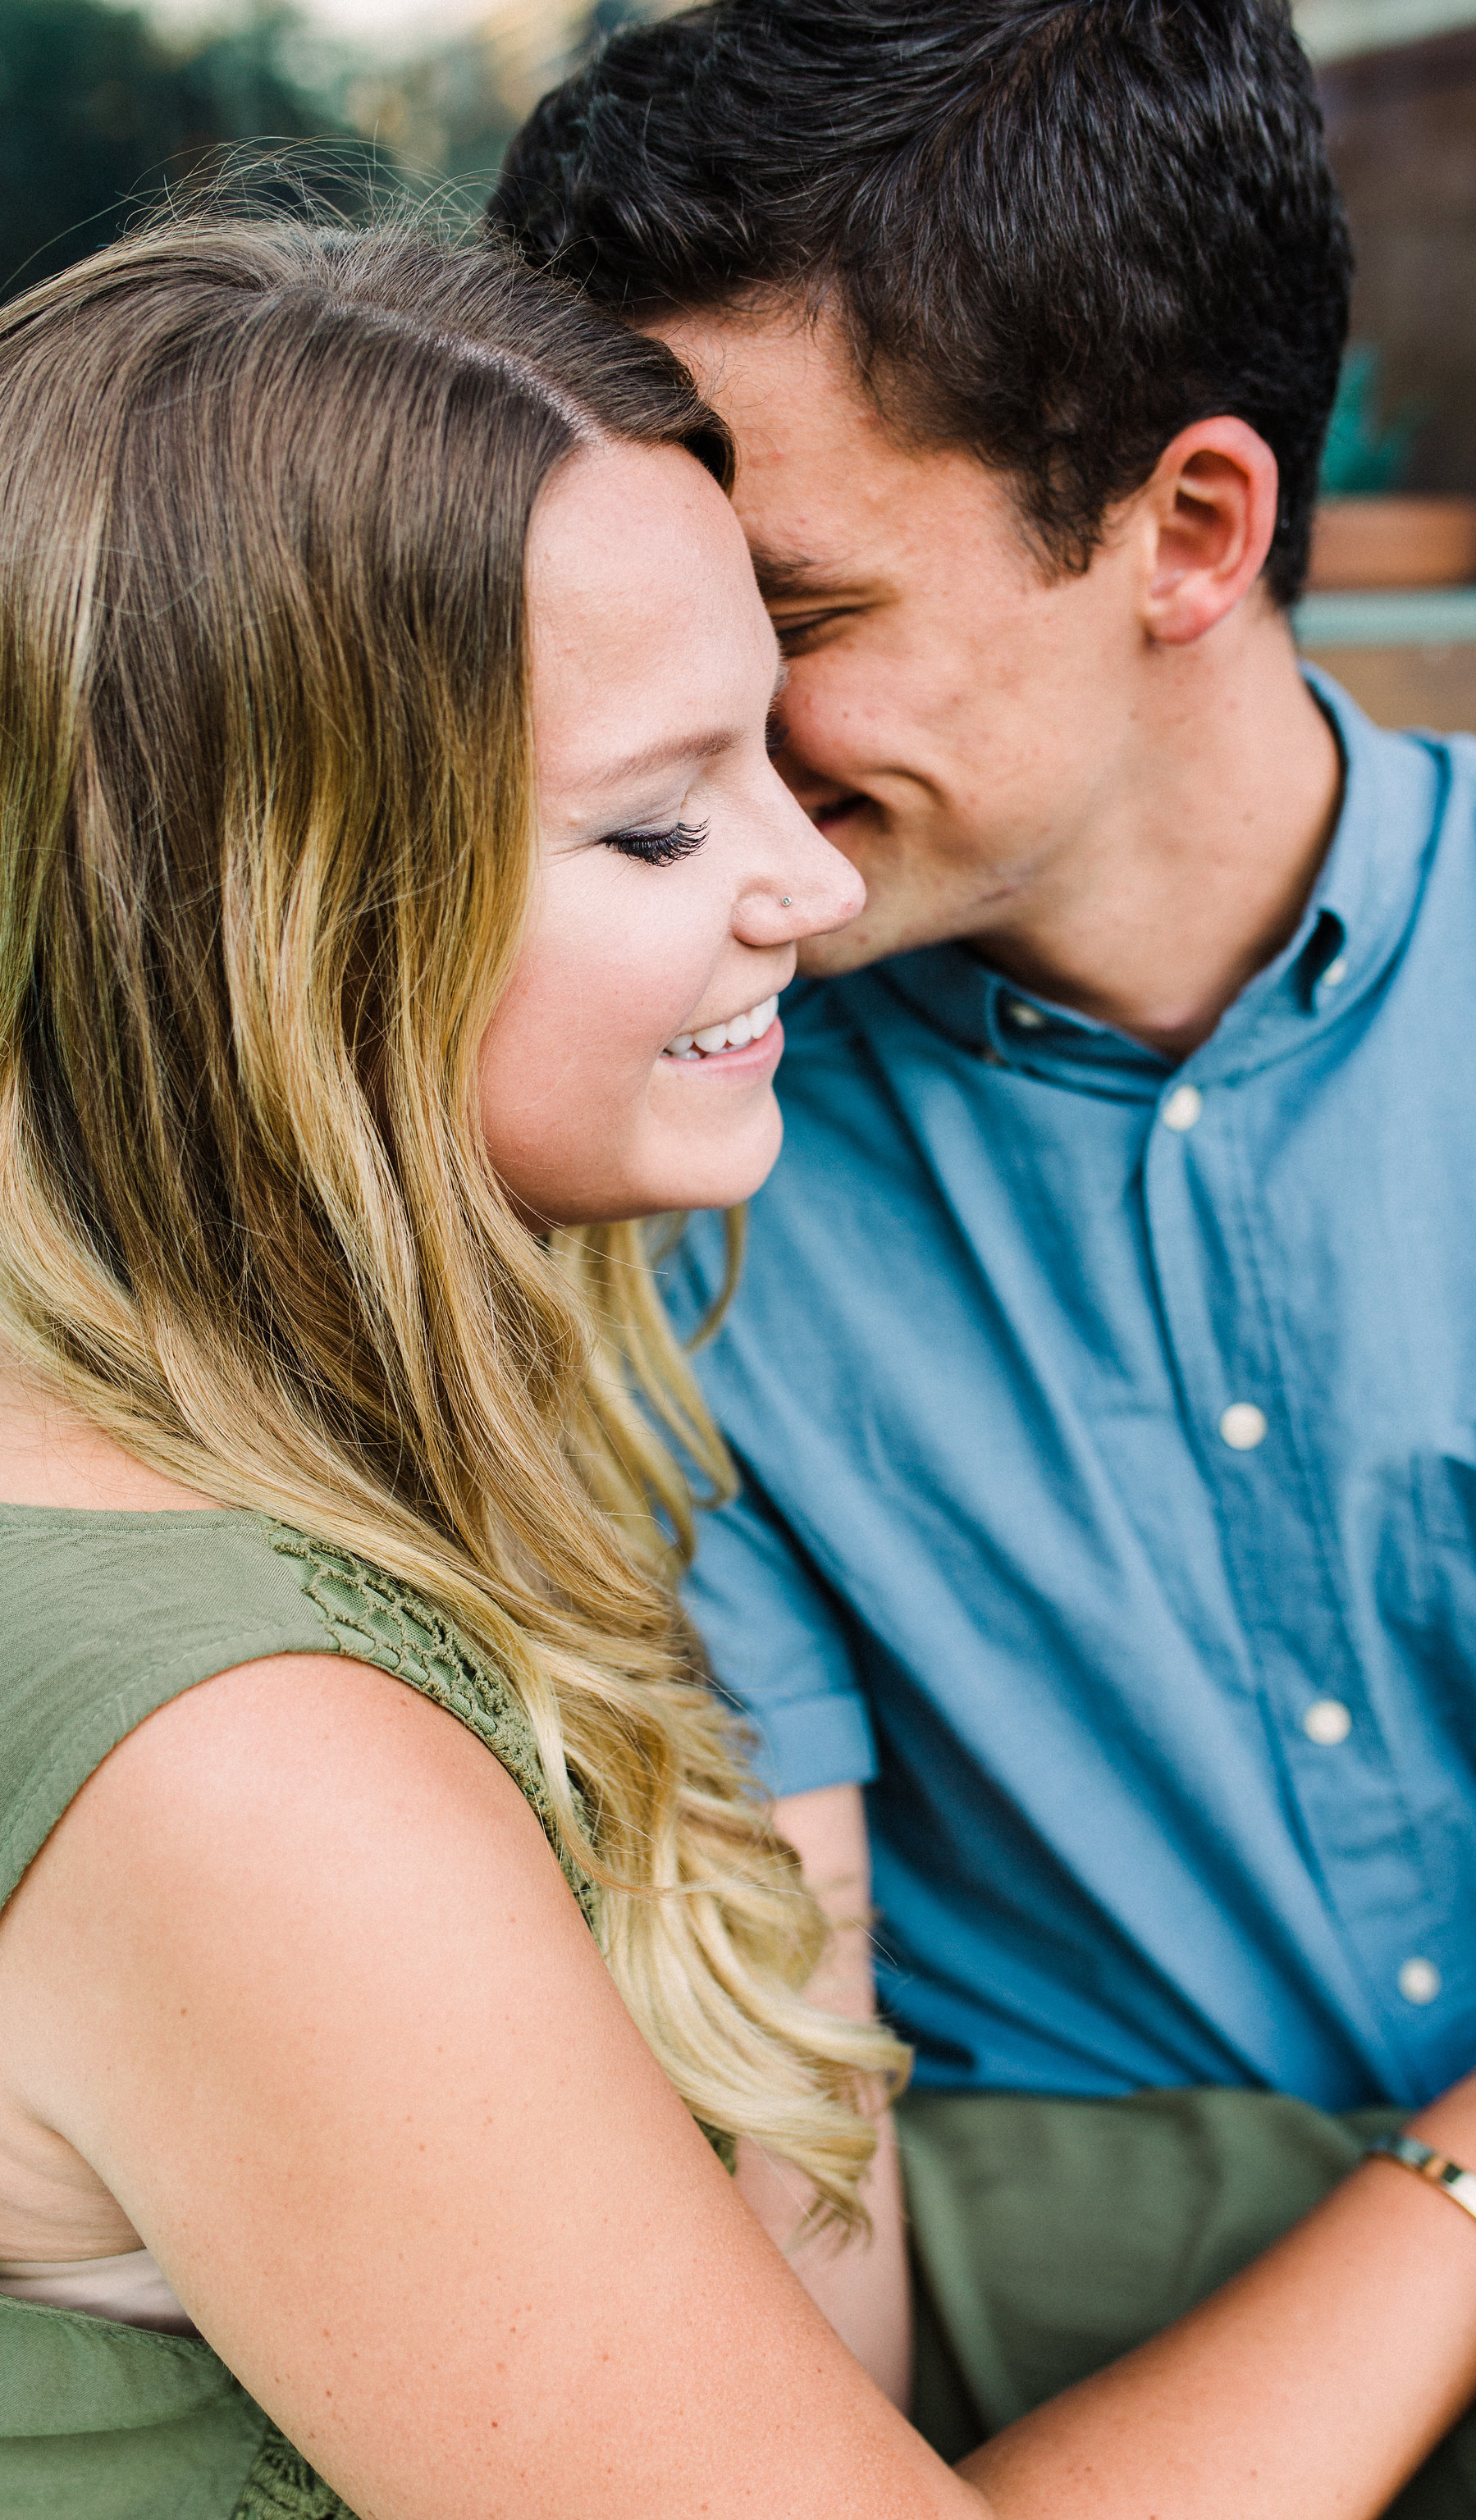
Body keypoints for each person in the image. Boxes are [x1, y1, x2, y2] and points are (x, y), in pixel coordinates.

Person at [0, 203, 1476, 2520]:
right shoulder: (253, 1778)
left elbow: (819, 2308)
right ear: (285, 922)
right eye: (665, 816)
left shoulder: (365, 1448)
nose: (806, 883)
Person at [491, 0, 1476, 2492]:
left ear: (1191, 532)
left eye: (792, 612)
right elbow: (792, 2208)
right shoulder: (664, 1186)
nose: (691, 734)